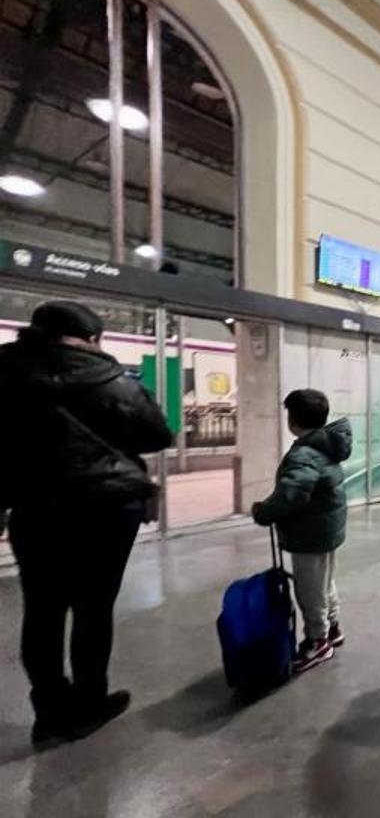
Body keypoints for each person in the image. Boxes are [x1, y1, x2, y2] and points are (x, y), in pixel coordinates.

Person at [0, 301, 172, 747]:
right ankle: (90, 703)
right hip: (105, 511)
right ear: (92, 338)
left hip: (34, 509)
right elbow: (157, 435)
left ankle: (50, 711)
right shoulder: (112, 381)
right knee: (94, 607)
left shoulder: (5, 373)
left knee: (42, 610)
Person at [252, 389, 353, 673]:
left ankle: (317, 641)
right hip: (325, 529)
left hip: (310, 533)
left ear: (293, 420)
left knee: (310, 590)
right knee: (325, 582)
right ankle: (333, 627)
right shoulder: (325, 447)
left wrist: (264, 511)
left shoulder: (305, 454)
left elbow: (292, 495)